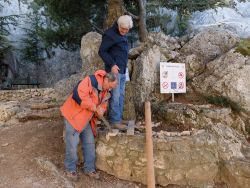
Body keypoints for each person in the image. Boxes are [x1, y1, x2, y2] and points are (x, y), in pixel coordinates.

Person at [60, 70, 117, 181]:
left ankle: (89, 168)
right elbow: (79, 96)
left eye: (112, 87)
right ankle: (70, 169)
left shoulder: (106, 91)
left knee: (89, 143)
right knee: (72, 145)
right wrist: (94, 107)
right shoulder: (90, 81)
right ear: (106, 80)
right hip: (73, 116)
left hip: (86, 119)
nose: (111, 89)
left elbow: (103, 104)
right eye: (110, 86)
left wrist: (101, 110)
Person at [98, 15, 133, 130]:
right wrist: (112, 64)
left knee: (121, 95)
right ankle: (114, 121)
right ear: (118, 25)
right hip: (113, 71)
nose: (124, 31)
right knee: (115, 95)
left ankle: (118, 118)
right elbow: (102, 51)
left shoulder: (122, 35)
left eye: (126, 29)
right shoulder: (110, 34)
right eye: (122, 28)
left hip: (122, 70)